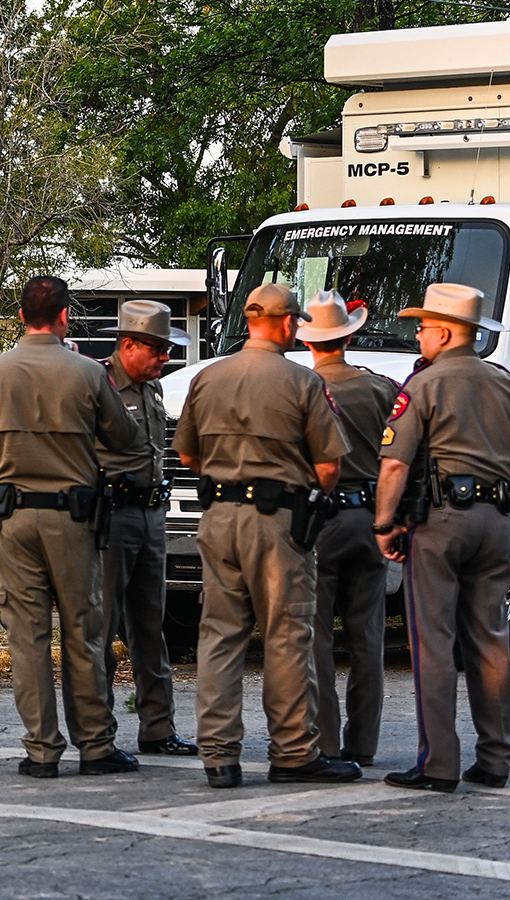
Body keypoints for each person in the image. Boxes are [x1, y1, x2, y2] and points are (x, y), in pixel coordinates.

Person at [376, 283, 510, 793]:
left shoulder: (425, 385)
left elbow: (396, 464)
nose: (418, 334)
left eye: (422, 327)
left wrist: (384, 523)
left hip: (440, 522)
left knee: (433, 642)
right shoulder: (504, 383)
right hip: (498, 522)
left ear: (444, 332)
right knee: (490, 641)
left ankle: (438, 763)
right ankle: (495, 760)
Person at [173, 283, 361, 789]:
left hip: (217, 518)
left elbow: (187, 454)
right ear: (285, 323)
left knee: (219, 635)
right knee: (285, 635)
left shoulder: (207, 377)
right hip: (278, 523)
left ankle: (218, 755)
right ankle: (294, 752)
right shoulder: (301, 382)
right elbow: (328, 465)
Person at [0, 275, 141, 778]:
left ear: (20, 316)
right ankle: (96, 746)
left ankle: (41, 750)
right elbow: (125, 438)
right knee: (84, 630)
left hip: (11, 520)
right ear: (64, 317)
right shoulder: (87, 372)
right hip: (75, 519)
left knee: (27, 636)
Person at [297, 290, 399, 767]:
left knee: (315, 636)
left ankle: (327, 744)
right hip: (371, 517)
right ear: (349, 334)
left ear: (308, 340)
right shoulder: (381, 388)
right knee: (368, 636)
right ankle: (365, 741)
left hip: (319, 519)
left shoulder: (302, 388)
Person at [96, 300, 199, 757]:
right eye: (157, 349)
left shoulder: (153, 391)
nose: (166, 358)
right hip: (111, 517)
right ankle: (98, 733)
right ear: (128, 344)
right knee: (100, 627)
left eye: (167, 349)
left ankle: (158, 729)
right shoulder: (96, 385)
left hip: (151, 516)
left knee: (150, 627)